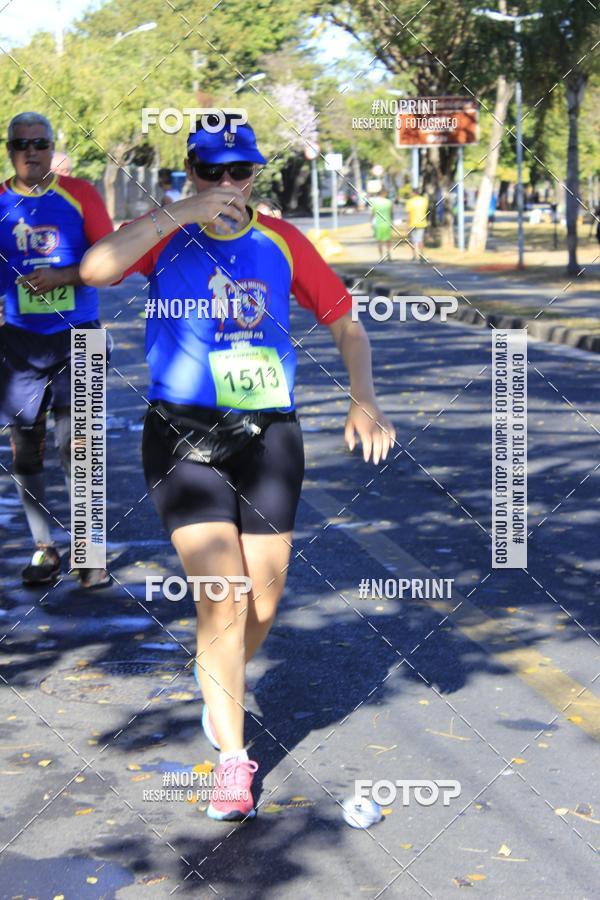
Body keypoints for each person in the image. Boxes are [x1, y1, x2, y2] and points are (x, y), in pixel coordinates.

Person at [80, 114, 395, 822]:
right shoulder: (164, 234)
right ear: (190, 170)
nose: (225, 184)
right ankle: (232, 757)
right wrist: (177, 212)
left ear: (256, 173)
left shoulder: (281, 239)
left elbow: (346, 321)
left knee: (262, 601)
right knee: (221, 594)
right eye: (210, 172)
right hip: (182, 436)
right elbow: (95, 268)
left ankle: (214, 674)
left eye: (238, 172)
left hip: (267, 434)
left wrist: (364, 399)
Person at [0, 112, 113, 588]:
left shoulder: (81, 193)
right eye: (21, 143)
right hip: (18, 342)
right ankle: (44, 548)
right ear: (9, 150)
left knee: (80, 446)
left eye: (40, 142)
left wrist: (63, 276)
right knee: (27, 451)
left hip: (79, 335)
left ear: (51, 148)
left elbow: (113, 260)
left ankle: (89, 553)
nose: (31, 151)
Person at [404, 186, 429, 261]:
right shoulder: (424, 200)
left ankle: (414, 256)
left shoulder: (410, 201)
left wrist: (407, 224)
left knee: (413, 240)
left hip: (412, 223)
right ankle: (422, 255)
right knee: (420, 240)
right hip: (422, 223)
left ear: (413, 193)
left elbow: (408, 214)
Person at [370, 188, 394, 260]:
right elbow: (391, 213)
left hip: (378, 224)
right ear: (385, 194)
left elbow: (373, 213)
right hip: (387, 223)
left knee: (379, 241)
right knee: (388, 240)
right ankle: (389, 255)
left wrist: (370, 221)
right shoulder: (389, 202)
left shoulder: (375, 202)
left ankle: (381, 256)